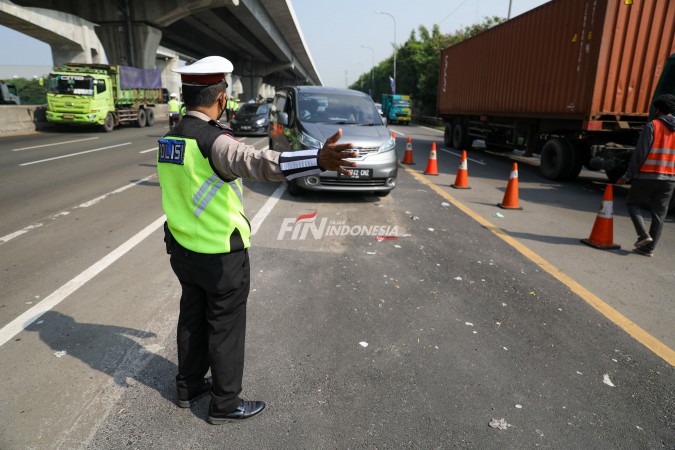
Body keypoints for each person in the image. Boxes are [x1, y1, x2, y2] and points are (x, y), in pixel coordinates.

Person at [157, 56, 357, 425]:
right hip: (219, 254)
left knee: (192, 319)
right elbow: (259, 163)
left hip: (183, 249)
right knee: (225, 327)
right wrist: (318, 158)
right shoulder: (213, 141)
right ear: (220, 99)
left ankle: (188, 387)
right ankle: (225, 403)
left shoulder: (170, 138)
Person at [617, 94, 675, 257]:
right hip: (670, 179)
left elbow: (640, 154)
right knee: (659, 214)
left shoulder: (653, 126)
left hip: (648, 175)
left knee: (632, 203)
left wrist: (628, 175)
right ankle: (649, 249)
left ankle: (643, 235)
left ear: (658, 109)